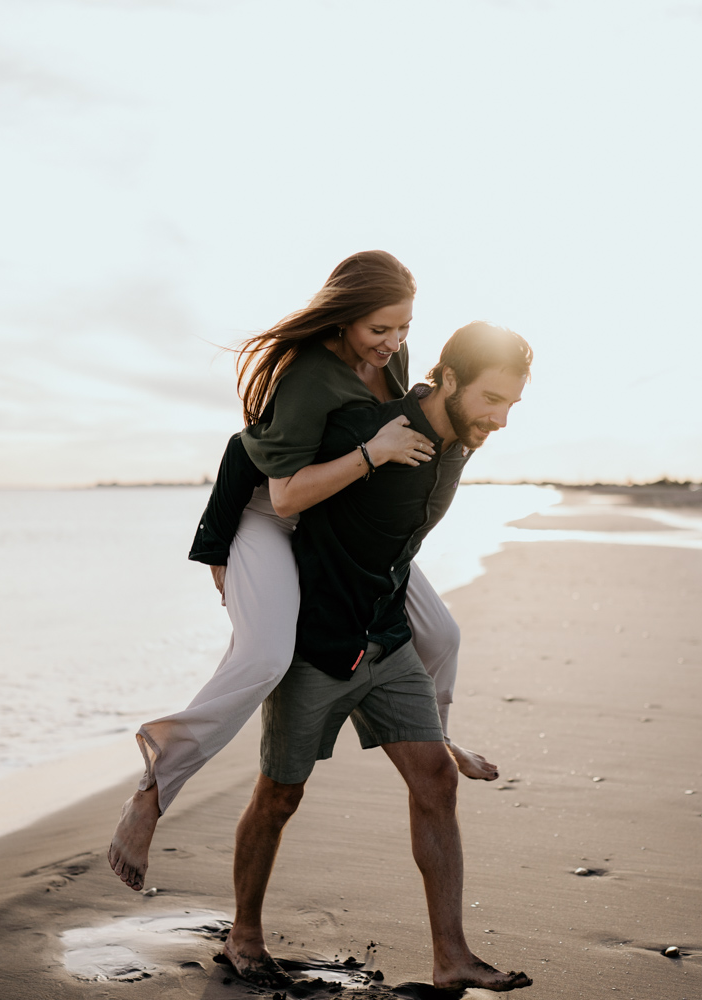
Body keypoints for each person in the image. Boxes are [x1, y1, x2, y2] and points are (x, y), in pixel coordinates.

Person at [109, 252, 497, 892]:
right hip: (275, 515)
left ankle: (440, 741)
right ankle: (152, 792)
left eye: (403, 328)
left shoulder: (389, 359)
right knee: (263, 657)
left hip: (337, 524)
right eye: (380, 328)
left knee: (443, 635)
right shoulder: (304, 375)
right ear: (345, 316)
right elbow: (271, 480)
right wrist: (215, 541)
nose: (394, 344)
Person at [221, 321, 535, 993]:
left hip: (387, 638)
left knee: (435, 779)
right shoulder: (369, 428)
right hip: (318, 644)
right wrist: (218, 555)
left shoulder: (462, 438)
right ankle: (243, 933)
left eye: (511, 404)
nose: (501, 419)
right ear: (446, 380)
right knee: (280, 795)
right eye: (490, 399)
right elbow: (256, 459)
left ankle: (451, 956)